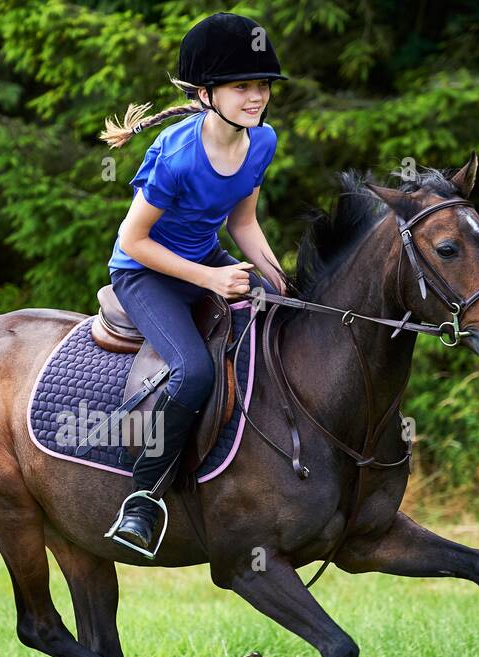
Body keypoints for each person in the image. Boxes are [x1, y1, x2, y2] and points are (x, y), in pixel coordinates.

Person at [98, 12, 291, 558]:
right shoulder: (178, 155)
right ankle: (144, 499)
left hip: (207, 257)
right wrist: (210, 277)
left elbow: (243, 223)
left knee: (287, 321)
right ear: (206, 94)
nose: (256, 98)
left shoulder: (262, 141)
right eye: (242, 87)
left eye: (262, 86)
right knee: (193, 371)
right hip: (144, 275)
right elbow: (133, 240)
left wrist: (279, 282)